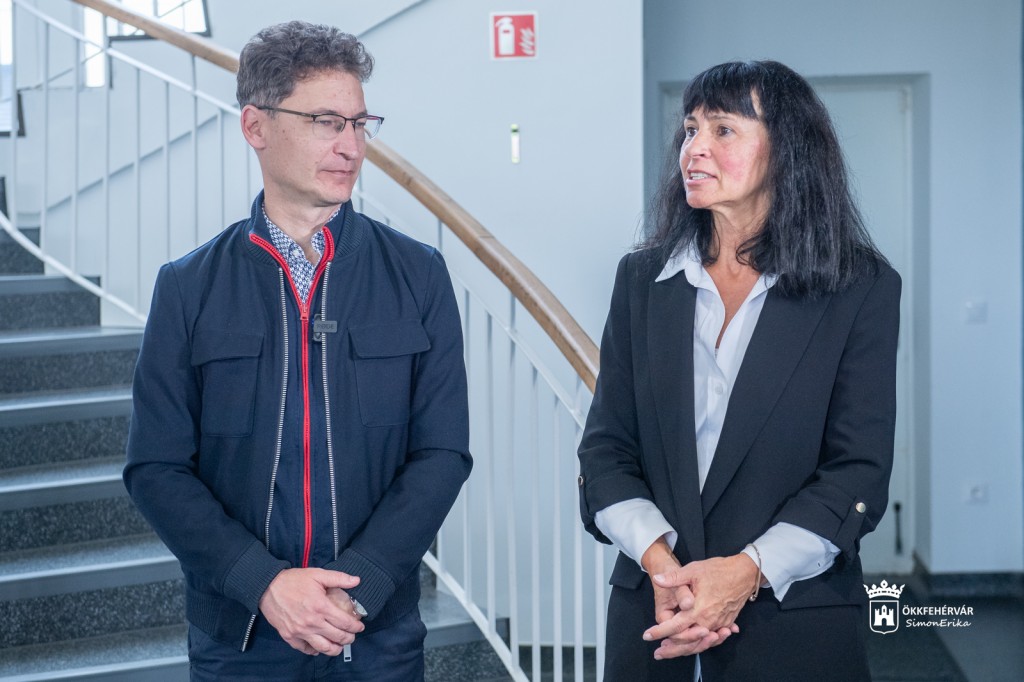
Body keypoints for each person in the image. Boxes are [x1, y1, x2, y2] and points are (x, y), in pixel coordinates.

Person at [124, 21, 472, 681]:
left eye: (359, 124)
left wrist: (359, 585)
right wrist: (262, 582)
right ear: (256, 126)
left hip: (374, 633)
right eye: (325, 122)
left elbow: (442, 454)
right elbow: (156, 468)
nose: (351, 146)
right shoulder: (188, 287)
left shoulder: (419, 274)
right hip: (240, 637)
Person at [577, 60, 900, 681]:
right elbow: (607, 446)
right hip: (655, 612)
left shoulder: (860, 286)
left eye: (722, 129)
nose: (694, 148)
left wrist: (746, 571)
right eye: (690, 129)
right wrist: (660, 562)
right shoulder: (642, 280)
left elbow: (856, 469)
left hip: (793, 618)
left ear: (788, 152)